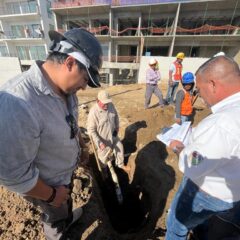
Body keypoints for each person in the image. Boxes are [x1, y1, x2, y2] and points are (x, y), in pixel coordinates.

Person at [0, 28, 102, 240]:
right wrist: (52, 195)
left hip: (63, 177)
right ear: (70, 63)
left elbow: (71, 122)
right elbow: (13, 175)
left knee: (64, 205)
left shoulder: (66, 91)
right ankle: (57, 231)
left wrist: (81, 146)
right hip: (46, 186)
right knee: (54, 215)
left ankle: (65, 217)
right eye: (85, 79)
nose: (84, 87)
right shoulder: (19, 103)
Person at [166, 56, 240, 240]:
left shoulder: (221, 123)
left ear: (213, 84)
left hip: (206, 193)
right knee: (208, 228)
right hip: (232, 196)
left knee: (176, 226)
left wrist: (178, 148)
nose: (200, 96)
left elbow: (194, 163)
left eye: (200, 89)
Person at [87, 90, 130, 173]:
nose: (106, 105)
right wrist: (99, 143)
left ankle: (120, 165)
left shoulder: (111, 105)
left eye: (107, 102)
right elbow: (91, 130)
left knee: (120, 147)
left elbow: (116, 116)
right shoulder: (93, 112)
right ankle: (104, 173)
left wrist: (117, 127)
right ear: (98, 101)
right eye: (104, 103)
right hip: (103, 139)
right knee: (103, 159)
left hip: (113, 135)